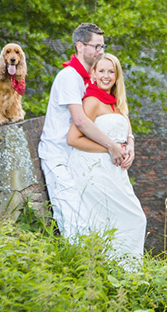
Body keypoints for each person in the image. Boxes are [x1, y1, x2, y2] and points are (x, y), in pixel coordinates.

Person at [38, 23, 134, 240]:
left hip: (76, 157)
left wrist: (130, 141)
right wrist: (111, 146)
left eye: (102, 46)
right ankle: (74, 266)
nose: (101, 51)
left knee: (93, 217)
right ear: (80, 46)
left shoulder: (91, 77)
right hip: (57, 156)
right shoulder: (69, 76)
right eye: (97, 46)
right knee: (72, 217)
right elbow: (80, 121)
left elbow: (116, 108)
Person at [65, 53, 146, 267]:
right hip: (93, 167)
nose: (106, 76)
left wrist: (130, 146)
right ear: (92, 73)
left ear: (117, 75)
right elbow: (73, 138)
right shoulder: (92, 101)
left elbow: (125, 131)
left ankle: (122, 270)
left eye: (111, 71)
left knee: (125, 220)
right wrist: (110, 150)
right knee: (131, 218)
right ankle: (117, 268)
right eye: (101, 70)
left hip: (115, 170)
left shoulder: (115, 104)